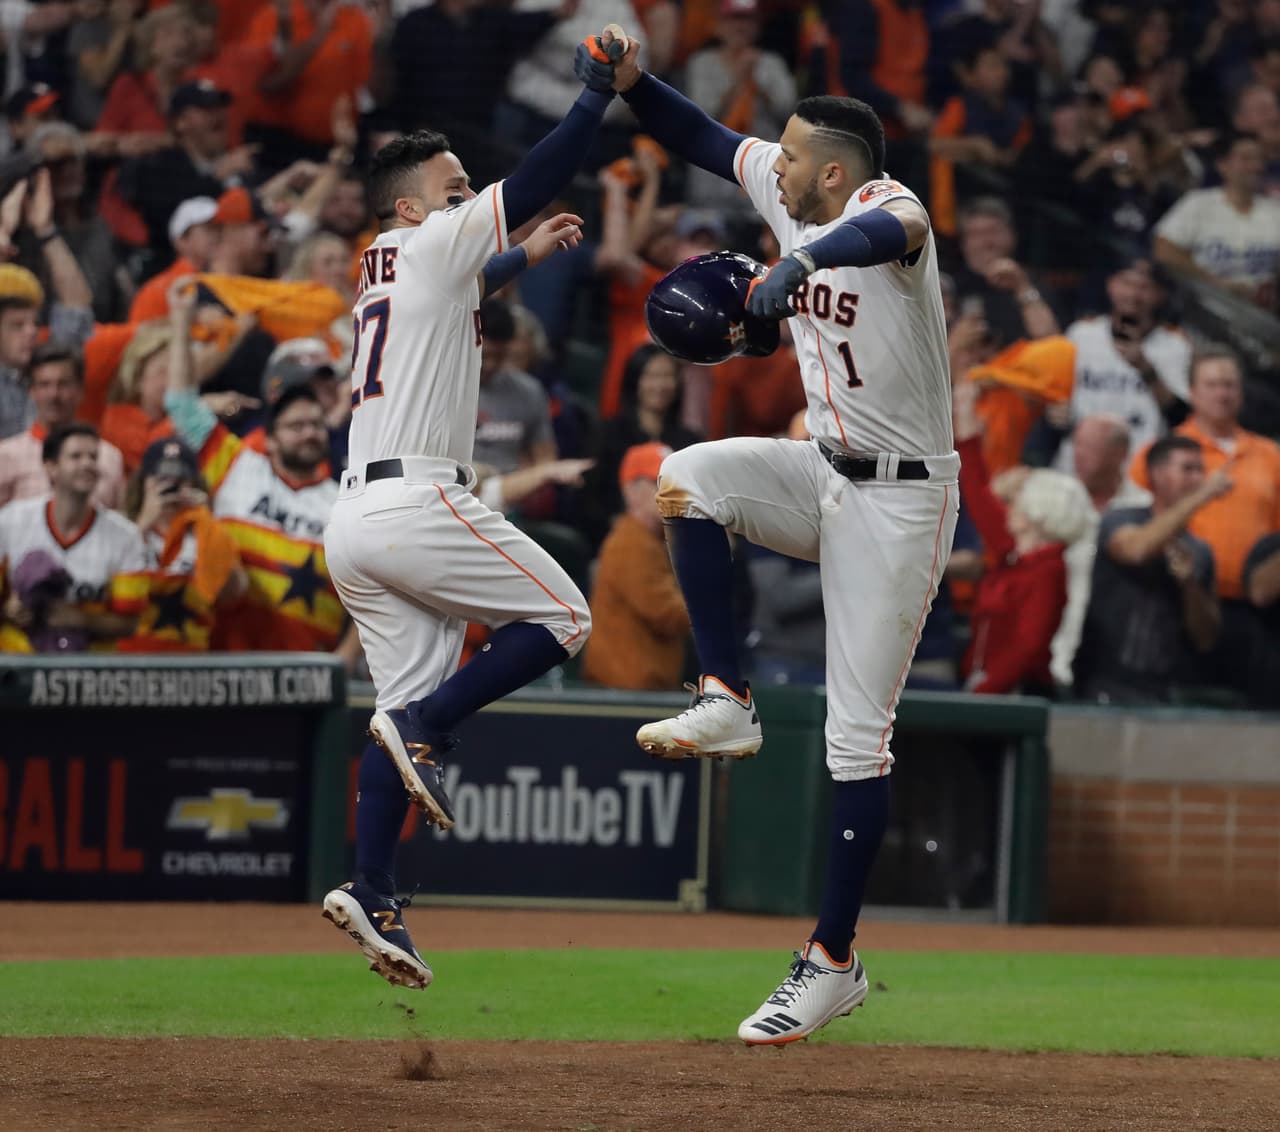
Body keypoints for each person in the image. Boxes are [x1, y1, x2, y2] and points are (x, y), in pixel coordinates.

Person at [593, 27, 959, 1044]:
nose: (774, 163)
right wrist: (632, 84)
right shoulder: (787, 189)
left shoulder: (885, 207)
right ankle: (726, 695)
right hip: (821, 473)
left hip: (899, 501)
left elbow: (875, 241)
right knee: (685, 475)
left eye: (792, 156)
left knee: (855, 738)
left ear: (832, 171)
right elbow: (698, 133)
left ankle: (831, 960)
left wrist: (792, 263)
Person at [319, 37, 632, 991]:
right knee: (565, 615)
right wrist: (591, 100)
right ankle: (431, 726)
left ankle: (372, 890)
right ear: (413, 205)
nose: (468, 198)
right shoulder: (428, 236)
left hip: (355, 518)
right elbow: (540, 174)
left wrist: (513, 261)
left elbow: (449, 284)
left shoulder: (382, 256)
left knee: (387, 715)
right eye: (453, 189)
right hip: (418, 498)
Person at [953, 381, 1092, 695]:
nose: (1008, 506)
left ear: (1038, 512)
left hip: (1011, 694)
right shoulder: (1014, 557)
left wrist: (983, 692)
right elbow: (978, 495)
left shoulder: (1046, 570)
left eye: (1017, 501)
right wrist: (967, 433)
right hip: (983, 685)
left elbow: (1028, 645)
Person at [1074, 436, 1226, 704]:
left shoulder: (1199, 550)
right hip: (1104, 679)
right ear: (1156, 473)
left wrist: (1189, 584)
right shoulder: (1121, 518)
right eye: (1187, 469)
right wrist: (1202, 496)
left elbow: (1205, 638)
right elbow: (1136, 550)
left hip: (1165, 689)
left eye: (1200, 470)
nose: (1198, 478)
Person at [0, 423, 145, 654]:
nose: (87, 464)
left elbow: (130, 623)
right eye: (76, 457)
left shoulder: (125, 536)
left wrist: (80, 619)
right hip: (17, 672)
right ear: (51, 467)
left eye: (93, 457)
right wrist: (7, 610)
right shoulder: (10, 521)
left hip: (91, 672)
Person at [117, 436, 248, 652]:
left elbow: (232, 594)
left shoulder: (209, 533)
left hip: (191, 663)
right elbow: (103, 588)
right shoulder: (122, 527)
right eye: (161, 478)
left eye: (180, 479)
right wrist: (143, 523)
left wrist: (206, 522)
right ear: (143, 482)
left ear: (195, 483)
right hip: (130, 659)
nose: (170, 486)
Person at [582, 441, 689, 689]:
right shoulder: (632, 542)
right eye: (659, 484)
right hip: (624, 695)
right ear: (630, 490)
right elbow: (669, 614)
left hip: (640, 691)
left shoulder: (652, 540)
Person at [1153, 131, 1280, 314]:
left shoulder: (1274, 210)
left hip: (1262, 318)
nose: (1256, 166)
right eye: (1246, 159)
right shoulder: (1199, 203)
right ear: (1223, 165)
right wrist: (1215, 283)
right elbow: (1164, 250)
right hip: (1206, 314)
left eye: (1260, 159)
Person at [0, 343, 126, 508]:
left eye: (64, 384)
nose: (54, 395)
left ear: (80, 390)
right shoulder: (7, 455)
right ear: (32, 391)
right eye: (44, 385)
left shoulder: (108, 457)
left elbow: (119, 521)